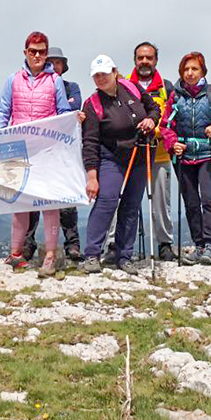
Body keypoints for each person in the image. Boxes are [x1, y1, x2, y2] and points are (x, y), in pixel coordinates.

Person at [0, 30, 73, 276]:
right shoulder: (13, 80)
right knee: (20, 204)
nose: (37, 56)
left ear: (46, 54)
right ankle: (16, 254)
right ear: (25, 53)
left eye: (41, 52)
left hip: (47, 151)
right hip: (18, 150)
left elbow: (62, 113)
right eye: (32, 51)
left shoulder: (55, 81)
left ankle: (50, 255)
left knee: (50, 203)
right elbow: (3, 112)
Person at [81, 55, 160, 275]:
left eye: (104, 74)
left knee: (131, 205)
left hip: (141, 153)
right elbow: (90, 142)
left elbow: (153, 108)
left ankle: (124, 256)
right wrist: (92, 176)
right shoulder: (92, 105)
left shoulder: (132, 88)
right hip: (111, 157)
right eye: (96, 75)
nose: (100, 78)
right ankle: (92, 255)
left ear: (115, 72)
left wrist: (151, 120)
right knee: (106, 200)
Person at [158, 52, 211, 265]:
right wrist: (173, 144)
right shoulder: (176, 96)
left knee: (208, 199)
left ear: (202, 71)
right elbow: (166, 126)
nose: (190, 73)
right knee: (191, 202)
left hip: (209, 155)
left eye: (194, 69)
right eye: (186, 69)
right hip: (184, 156)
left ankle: (209, 245)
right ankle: (199, 245)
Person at [23, 46, 83, 263]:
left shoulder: (71, 88)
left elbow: (69, 110)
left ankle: (72, 244)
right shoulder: (32, 88)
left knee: (65, 198)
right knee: (32, 199)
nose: (54, 66)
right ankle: (26, 245)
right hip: (38, 152)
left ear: (63, 66)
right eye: (52, 62)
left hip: (63, 153)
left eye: (58, 63)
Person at [125, 42, 179, 261]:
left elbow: (172, 117)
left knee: (160, 203)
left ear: (156, 60)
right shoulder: (125, 85)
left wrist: (155, 129)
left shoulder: (166, 87)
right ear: (135, 60)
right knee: (127, 202)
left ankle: (165, 244)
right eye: (140, 58)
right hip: (131, 154)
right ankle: (117, 245)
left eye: (149, 58)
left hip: (159, 154)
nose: (144, 62)